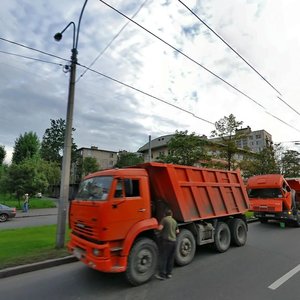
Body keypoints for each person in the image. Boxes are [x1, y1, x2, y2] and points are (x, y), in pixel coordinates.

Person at [155, 209, 179, 280]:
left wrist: (156, 231)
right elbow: (177, 231)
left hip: (166, 242)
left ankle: (162, 275)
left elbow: (160, 228)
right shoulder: (174, 221)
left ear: (165, 214)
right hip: (174, 242)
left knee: (163, 258)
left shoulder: (164, 219)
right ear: (171, 214)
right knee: (170, 259)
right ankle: (169, 274)